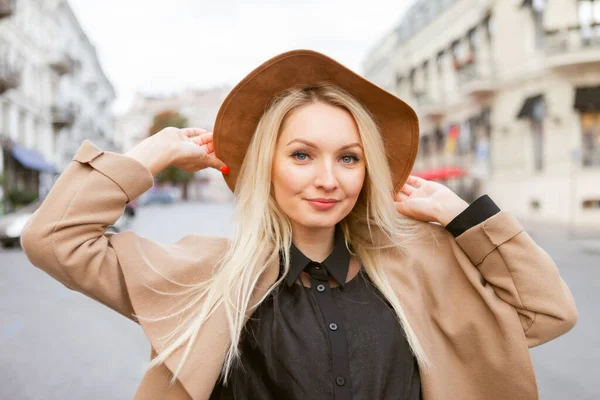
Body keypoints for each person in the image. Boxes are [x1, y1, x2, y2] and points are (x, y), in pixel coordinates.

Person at [21, 50, 577, 400]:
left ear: (367, 171)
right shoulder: (206, 278)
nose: (329, 179)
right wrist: (146, 156)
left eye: (350, 157)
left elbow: (546, 312)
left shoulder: (420, 271)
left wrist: (463, 217)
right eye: (303, 155)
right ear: (268, 164)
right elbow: (53, 238)